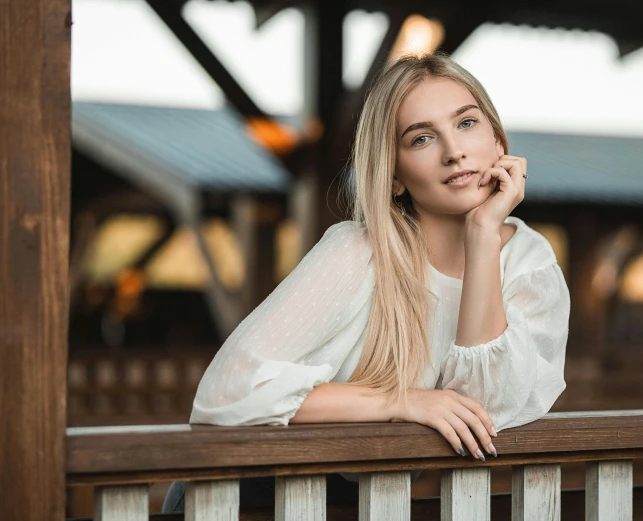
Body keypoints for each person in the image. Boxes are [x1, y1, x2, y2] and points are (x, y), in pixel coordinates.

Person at [162, 51, 569, 513]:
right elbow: (224, 394)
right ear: (394, 175)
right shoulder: (359, 251)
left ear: (498, 141)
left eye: (467, 124)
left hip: (363, 503)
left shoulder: (527, 260)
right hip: (242, 499)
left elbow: (485, 407)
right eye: (420, 138)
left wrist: (482, 235)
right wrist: (402, 401)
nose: (454, 151)